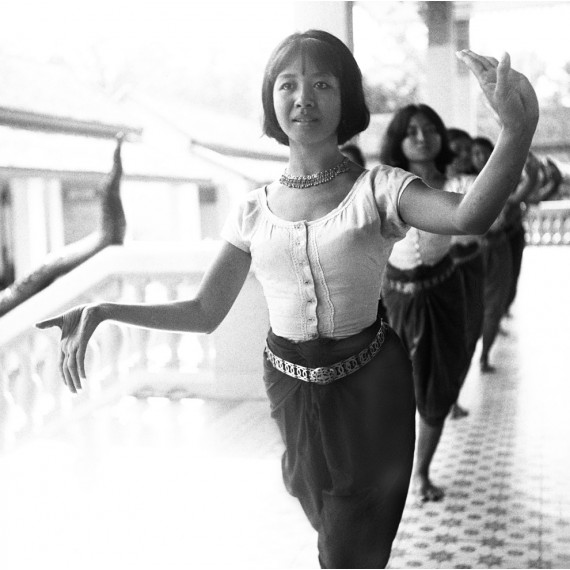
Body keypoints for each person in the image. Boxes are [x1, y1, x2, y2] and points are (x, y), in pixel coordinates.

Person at [36, 31, 538, 569]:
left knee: (345, 550)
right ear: (271, 101)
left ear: (345, 100)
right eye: (289, 84)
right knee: (328, 524)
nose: (305, 97)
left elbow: (469, 217)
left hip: (371, 391)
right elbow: (205, 312)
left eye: (322, 83)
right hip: (290, 393)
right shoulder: (252, 210)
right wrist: (106, 309)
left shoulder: (379, 189)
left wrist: (517, 129)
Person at [379, 106, 476, 502]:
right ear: (398, 141)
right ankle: (389, 472)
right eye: (412, 131)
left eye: (430, 129)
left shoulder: (459, 185)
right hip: (394, 299)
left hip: (443, 293)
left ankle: (420, 474)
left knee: (437, 383)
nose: (421, 137)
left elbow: (478, 222)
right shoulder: (381, 185)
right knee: (395, 388)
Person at [446, 129, 483, 420]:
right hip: (437, 270)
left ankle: (453, 394)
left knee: (470, 331)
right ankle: (438, 398)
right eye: (454, 149)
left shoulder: (474, 183)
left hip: (469, 261)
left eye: (466, 151)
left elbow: (486, 222)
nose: (460, 156)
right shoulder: (422, 184)